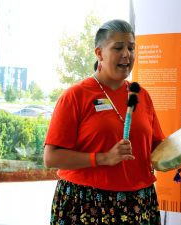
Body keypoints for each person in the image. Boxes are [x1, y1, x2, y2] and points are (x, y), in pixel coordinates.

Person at [43, 19, 165, 225]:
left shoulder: (141, 94)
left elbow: (156, 146)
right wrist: (103, 158)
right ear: (99, 53)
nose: (127, 54)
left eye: (131, 48)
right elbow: (51, 158)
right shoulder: (75, 95)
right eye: (118, 47)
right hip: (86, 201)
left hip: (138, 201)